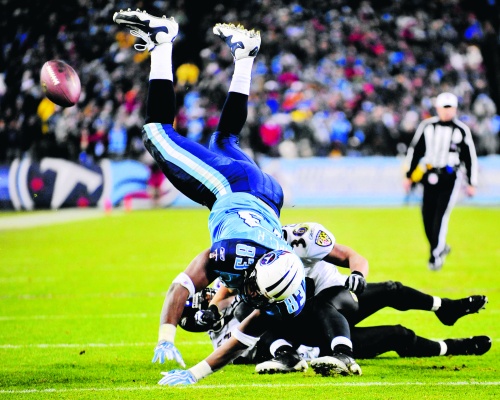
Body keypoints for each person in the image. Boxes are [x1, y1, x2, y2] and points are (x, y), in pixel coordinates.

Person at [113, 9, 309, 386]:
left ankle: (245, 56)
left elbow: (243, 338)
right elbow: (183, 284)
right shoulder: (235, 254)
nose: (251, 295)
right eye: (255, 288)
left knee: (224, 140)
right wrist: (166, 335)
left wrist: (195, 373)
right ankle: (162, 41)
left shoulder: (285, 290)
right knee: (156, 133)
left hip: (270, 196)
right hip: (233, 187)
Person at [182, 222, 489, 372]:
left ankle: (444, 308)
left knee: (388, 290)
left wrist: (358, 274)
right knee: (398, 335)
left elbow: (352, 256)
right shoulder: (246, 282)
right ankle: (456, 346)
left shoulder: (300, 237)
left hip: (334, 297)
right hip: (311, 335)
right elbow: (231, 290)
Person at [403, 92, 479, 271]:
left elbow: (469, 157)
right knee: (427, 216)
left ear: (455, 109)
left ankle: (435, 257)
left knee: (441, 216)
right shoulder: (427, 126)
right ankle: (440, 247)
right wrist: (408, 175)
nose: (447, 111)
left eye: (450, 107)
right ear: (437, 108)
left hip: (450, 177)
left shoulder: (461, 130)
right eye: (444, 107)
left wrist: (471, 182)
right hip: (429, 175)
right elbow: (415, 151)